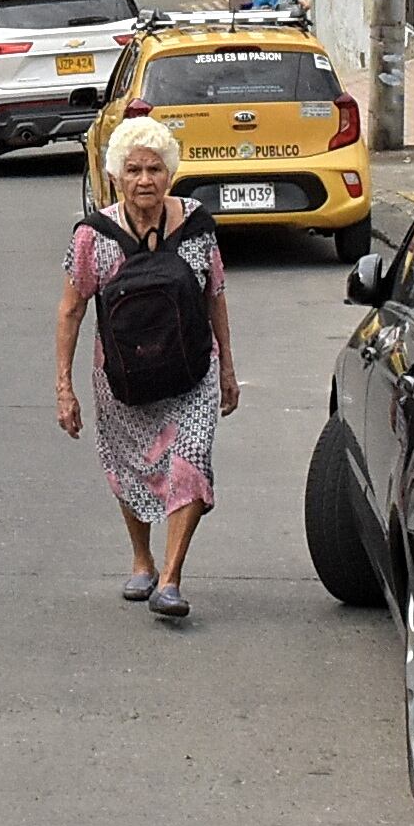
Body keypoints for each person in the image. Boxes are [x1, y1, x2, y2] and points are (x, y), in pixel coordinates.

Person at [56, 117, 237, 622]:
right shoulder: (94, 236)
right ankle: (142, 558)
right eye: (133, 169)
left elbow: (215, 294)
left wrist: (227, 368)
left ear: (170, 173)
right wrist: (63, 387)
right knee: (133, 464)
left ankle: (172, 580)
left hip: (192, 369)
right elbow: (71, 309)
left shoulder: (198, 224)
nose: (144, 180)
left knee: (190, 459)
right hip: (122, 377)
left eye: (154, 168)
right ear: (115, 175)